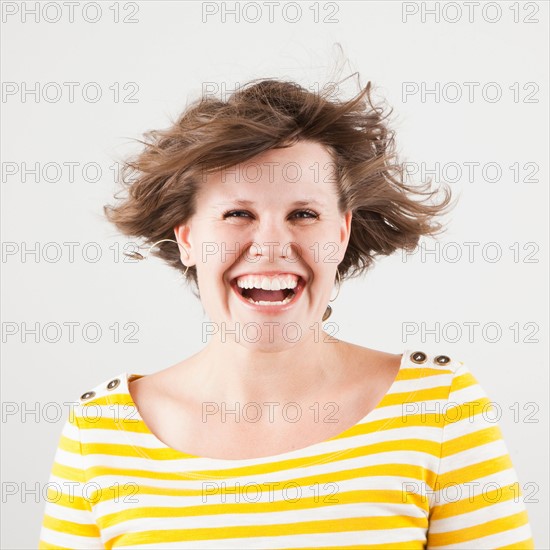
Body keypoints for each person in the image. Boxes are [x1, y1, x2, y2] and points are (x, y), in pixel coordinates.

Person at [39, 76, 535, 548]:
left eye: (304, 214)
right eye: (238, 214)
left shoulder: (439, 405)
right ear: (187, 239)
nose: (272, 245)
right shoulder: (99, 430)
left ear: (340, 235)